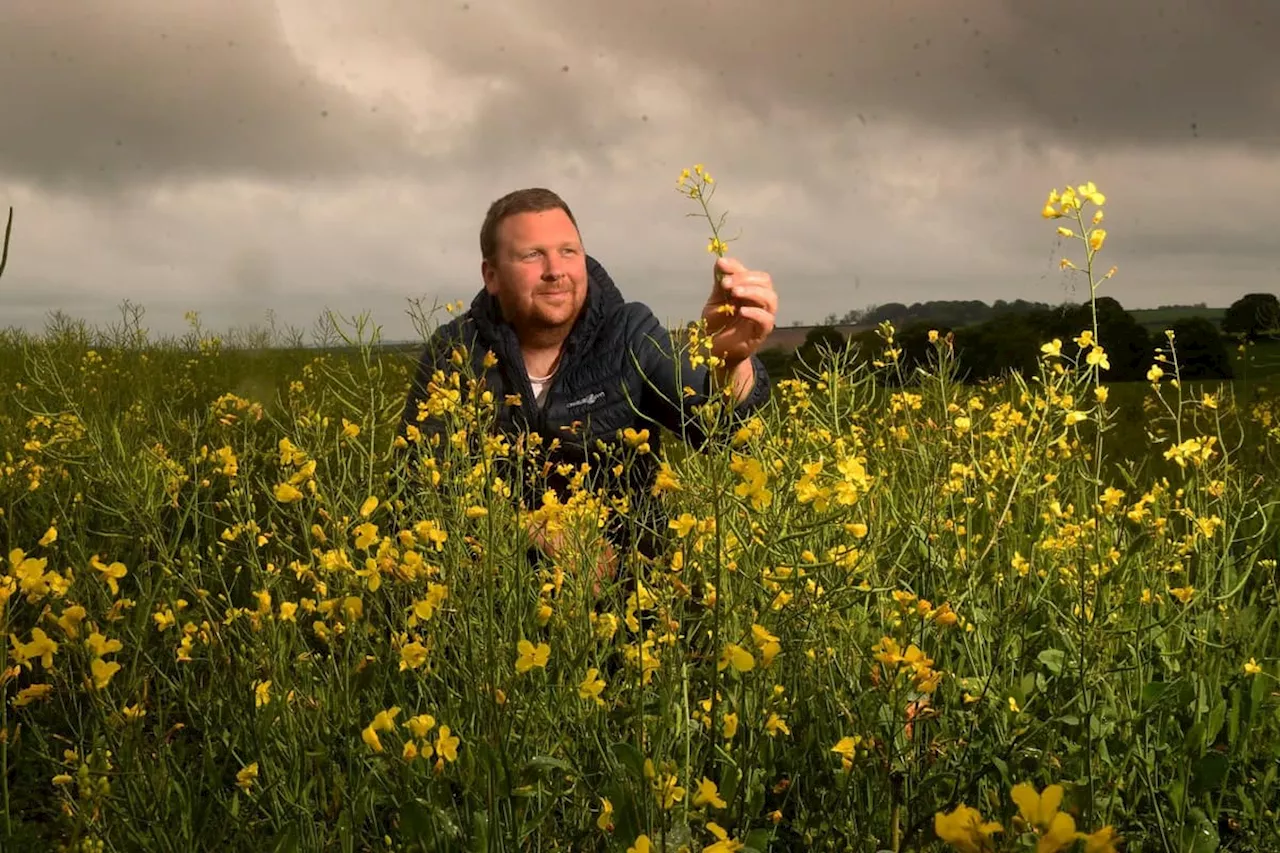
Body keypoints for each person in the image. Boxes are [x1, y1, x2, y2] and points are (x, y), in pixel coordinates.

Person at [396, 187, 777, 586]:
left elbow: (715, 430)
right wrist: (533, 533)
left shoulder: (629, 333)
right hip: (494, 612)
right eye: (532, 255)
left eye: (568, 251)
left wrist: (729, 363)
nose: (555, 270)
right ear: (491, 275)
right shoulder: (455, 351)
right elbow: (417, 494)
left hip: (631, 607)